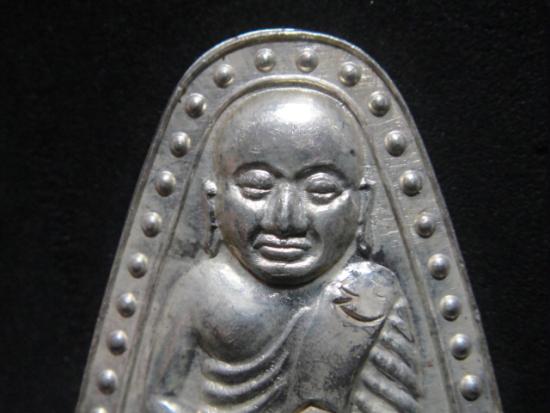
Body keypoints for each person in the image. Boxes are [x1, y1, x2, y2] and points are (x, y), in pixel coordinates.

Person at [147, 87, 421, 413]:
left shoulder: (370, 294)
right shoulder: (200, 291)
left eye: (320, 189)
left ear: (362, 206)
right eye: (257, 186)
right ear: (213, 202)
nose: (285, 220)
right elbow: (158, 399)